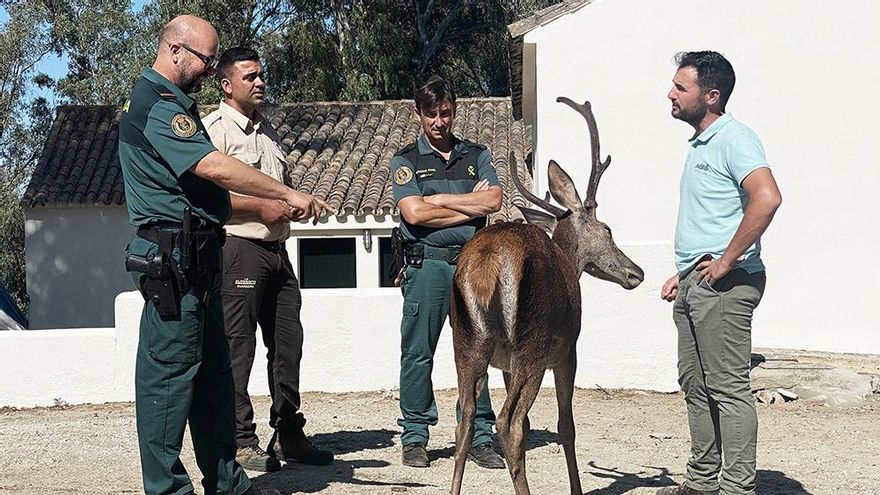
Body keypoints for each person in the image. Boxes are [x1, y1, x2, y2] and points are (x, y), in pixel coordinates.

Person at [119, 15, 329, 495]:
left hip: (201, 261)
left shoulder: (174, 104)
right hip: (172, 265)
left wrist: (269, 204)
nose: (208, 68)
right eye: (205, 60)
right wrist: (285, 191)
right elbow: (214, 166)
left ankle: (228, 481)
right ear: (175, 50)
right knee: (169, 384)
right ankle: (168, 489)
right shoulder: (157, 104)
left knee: (215, 380)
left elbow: (207, 197)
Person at [203, 47, 333, 472]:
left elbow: (276, 191)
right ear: (226, 85)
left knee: (287, 347)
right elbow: (207, 199)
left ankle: (289, 435)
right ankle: (241, 441)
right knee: (237, 349)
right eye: (250, 77)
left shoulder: (268, 131)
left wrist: (297, 205)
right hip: (239, 251)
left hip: (278, 253)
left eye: (262, 75)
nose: (260, 82)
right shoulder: (214, 131)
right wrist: (258, 208)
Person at [658, 51, 782, 495]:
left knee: (728, 389)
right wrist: (687, 272)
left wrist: (727, 261)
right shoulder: (701, 142)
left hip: (728, 284)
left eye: (680, 87)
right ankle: (702, 482)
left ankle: (735, 488)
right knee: (695, 385)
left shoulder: (735, 139)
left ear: (711, 96)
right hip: (699, 281)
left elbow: (767, 197)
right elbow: (713, 217)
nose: (670, 94)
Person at [389, 75, 505, 469]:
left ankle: (479, 434)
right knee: (419, 353)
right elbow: (414, 212)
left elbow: (493, 201)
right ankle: (416, 436)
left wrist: (439, 199)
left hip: (474, 264)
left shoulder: (476, 154)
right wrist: (465, 204)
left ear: (454, 110)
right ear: (419, 115)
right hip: (428, 265)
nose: (440, 121)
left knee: (478, 351)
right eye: (431, 115)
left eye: (446, 113)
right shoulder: (406, 160)